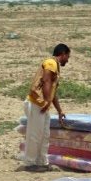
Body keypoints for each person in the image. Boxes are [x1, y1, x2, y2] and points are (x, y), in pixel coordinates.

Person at [22, 43, 69, 172]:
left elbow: (52, 92)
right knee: (35, 134)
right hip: (36, 104)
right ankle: (30, 163)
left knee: (45, 135)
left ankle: (42, 162)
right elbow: (47, 81)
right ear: (63, 54)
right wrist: (46, 102)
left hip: (42, 105)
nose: (68, 60)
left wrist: (59, 110)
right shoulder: (51, 63)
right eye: (67, 56)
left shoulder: (55, 67)